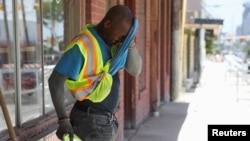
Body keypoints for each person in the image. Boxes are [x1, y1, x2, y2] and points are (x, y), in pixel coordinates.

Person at [48, 5, 142, 141]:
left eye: (125, 38)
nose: (121, 40)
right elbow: (55, 81)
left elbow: (135, 70)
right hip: (90, 122)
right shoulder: (82, 45)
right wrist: (63, 120)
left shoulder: (115, 45)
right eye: (121, 36)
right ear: (108, 24)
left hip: (102, 123)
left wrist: (130, 43)